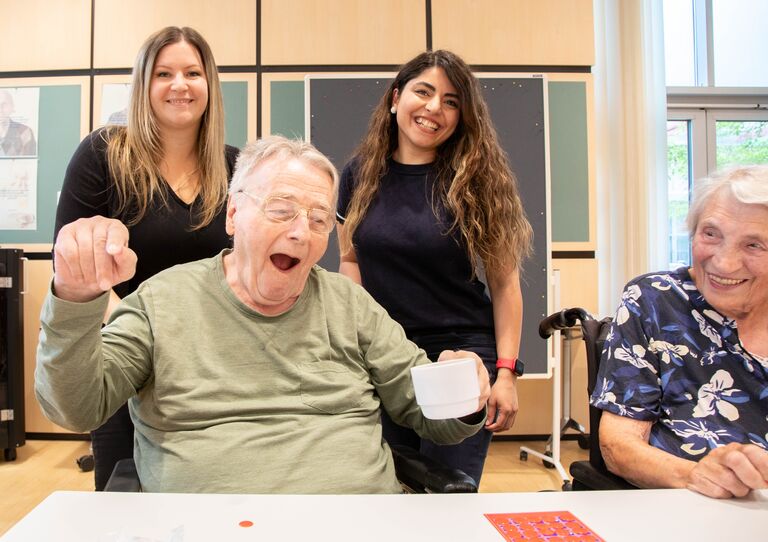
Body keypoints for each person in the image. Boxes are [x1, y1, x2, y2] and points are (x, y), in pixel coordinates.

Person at [35, 136, 490, 494]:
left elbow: (431, 417)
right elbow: (75, 406)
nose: (300, 232)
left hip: (359, 522)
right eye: (281, 210)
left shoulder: (350, 305)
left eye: (318, 220)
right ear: (233, 214)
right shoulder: (162, 301)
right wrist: (74, 298)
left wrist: (463, 389)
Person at [53, 26, 239, 491]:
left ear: (209, 85)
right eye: (164, 73)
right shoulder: (104, 155)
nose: (180, 84)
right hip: (125, 357)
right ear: (144, 84)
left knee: (214, 493)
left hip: (214, 365)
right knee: (126, 498)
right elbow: (74, 264)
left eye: (193, 72)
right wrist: (144, 338)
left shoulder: (236, 166)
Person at [336, 50, 533, 484]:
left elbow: (504, 285)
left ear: (462, 116)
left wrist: (505, 374)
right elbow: (350, 260)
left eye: (450, 101)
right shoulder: (358, 174)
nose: (433, 109)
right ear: (395, 98)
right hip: (387, 355)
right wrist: (359, 342)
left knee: (448, 493)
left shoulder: (477, 178)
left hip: (461, 357)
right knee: (390, 488)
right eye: (423, 92)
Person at [592, 165, 768, 499]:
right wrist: (696, 475)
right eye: (711, 234)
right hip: (687, 505)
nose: (724, 263)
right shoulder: (657, 300)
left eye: (753, 245)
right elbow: (618, 445)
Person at [0, 89, 37, 156]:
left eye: (4, 104)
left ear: (12, 107)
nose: (0, 109)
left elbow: (30, 164)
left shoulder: (24, 132)